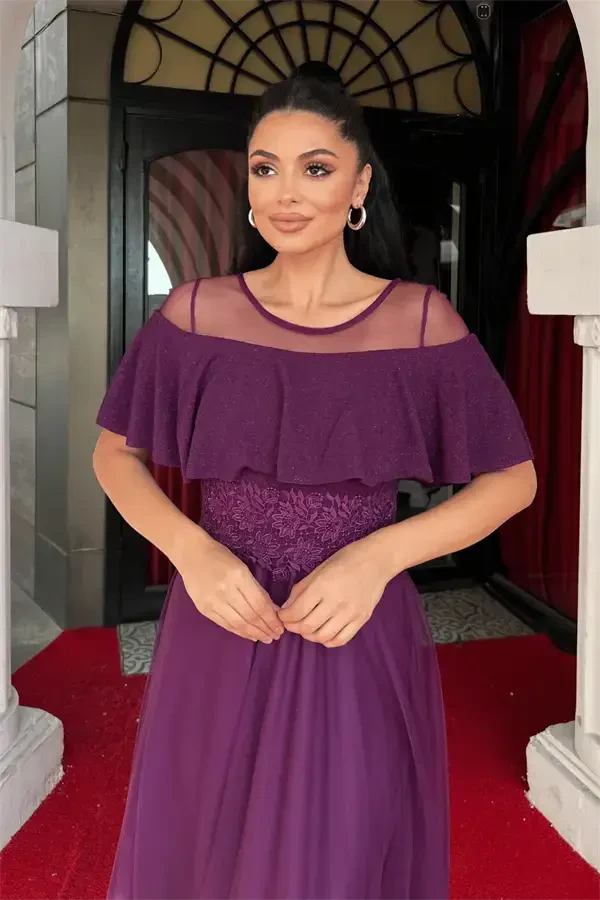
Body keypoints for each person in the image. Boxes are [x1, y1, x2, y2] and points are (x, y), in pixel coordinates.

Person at [93, 62, 537, 900]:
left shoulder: (417, 321)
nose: (286, 193)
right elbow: (114, 455)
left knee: (334, 857)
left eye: (316, 167)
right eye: (266, 168)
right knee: (201, 845)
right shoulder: (196, 313)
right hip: (220, 618)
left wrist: (377, 559)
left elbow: (512, 479)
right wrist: (194, 554)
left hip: (352, 629)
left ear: (359, 185)